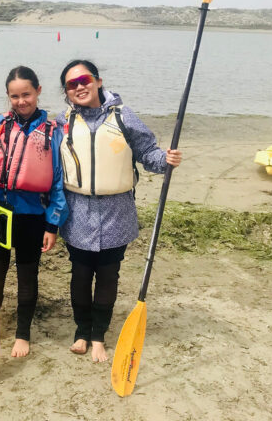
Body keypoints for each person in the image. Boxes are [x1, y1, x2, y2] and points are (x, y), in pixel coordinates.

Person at [56, 59, 182, 363]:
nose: (79, 87)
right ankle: (82, 331)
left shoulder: (124, 116)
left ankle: (99, 334)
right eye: (72, 85)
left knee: (109, 274)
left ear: (98, 81)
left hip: (117, 211)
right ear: (67, 92)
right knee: (81, 274)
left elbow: (147, 152)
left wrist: (166, 159)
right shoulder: (61, 122)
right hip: (78, 211)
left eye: (84, 80)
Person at [0, 66, 68, 358]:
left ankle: (23, 334)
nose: (21, 101)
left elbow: (59, 183)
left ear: (38, 91)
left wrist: (53, 224)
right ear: (8, 97)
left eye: (26, 94)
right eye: (14, 96)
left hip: (32, 216)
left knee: (27, 275)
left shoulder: (53, 132)